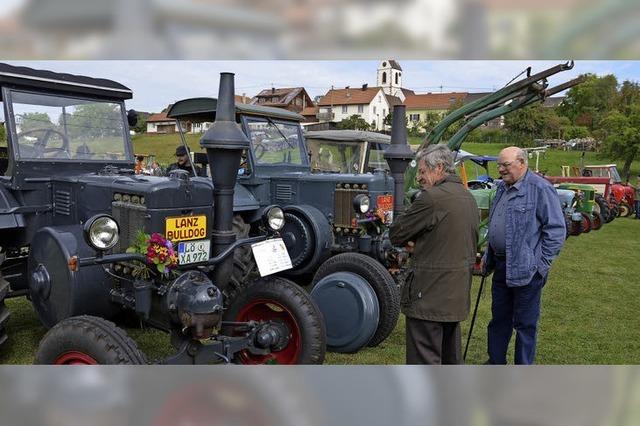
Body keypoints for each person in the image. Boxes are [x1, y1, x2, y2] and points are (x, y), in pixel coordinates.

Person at [389, 144, 479, 365]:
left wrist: (416, 243)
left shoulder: (431, 198)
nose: (419, 177)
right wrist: (423, 242)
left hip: (429, 295)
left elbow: (396, 233)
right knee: (450, 357)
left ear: (439, 168)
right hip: (455, 294)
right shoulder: (469, 198)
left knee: (424, 359)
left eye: (422, 171)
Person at [482, 146, 566, 365]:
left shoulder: (540, 188)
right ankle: (495, 365)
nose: (500, 169)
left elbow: (556, 230)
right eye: (499, 165)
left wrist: (540, 265)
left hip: (527, 271)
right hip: (500, 266)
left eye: (505, 165)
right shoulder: (502, 188)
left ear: (521, 162)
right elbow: (496, 223)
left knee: (525, 325)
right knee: (499, 320)